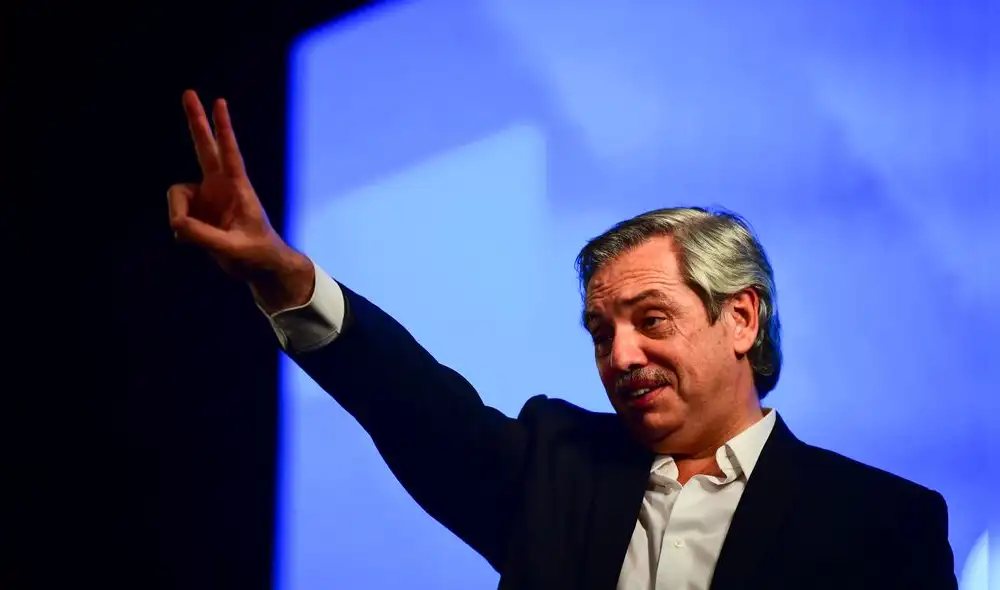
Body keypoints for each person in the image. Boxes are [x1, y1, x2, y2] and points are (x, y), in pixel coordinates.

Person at [167, 91, 957, 590]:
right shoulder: (554, 466)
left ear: (741, 319)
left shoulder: (882, 523)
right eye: (600, 332)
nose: (619, 357)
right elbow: (408, 402)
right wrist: (284, 278)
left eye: (651, 320)